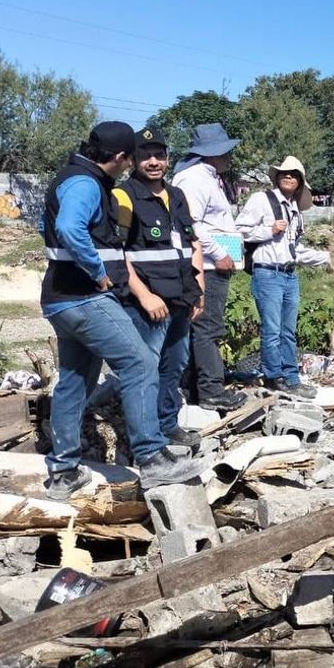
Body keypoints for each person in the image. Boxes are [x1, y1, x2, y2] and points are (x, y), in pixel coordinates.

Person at [39, 122, 202, 498]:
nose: (132, 166)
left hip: (60, 298)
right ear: (119, 157)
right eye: (131, 159)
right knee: (140, 362)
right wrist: (97, 272)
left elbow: (47, 227)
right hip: (85, 298)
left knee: (76, 379)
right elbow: (68, 227)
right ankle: (151, 458)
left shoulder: (72, 178)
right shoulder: (84, 182)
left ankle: (64, 472)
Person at [115, 125, 205, 452]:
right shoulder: (124, 196)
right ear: (133, 160)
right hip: (148, 303)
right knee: (145, 370)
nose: (153, 161)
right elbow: (117, 254)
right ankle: (145, 439)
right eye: (145, 156)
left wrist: (199, 290)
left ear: (168, 158)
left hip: (181, 297)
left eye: (159, 155)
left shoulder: (176, 195)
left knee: (174, 365)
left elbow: (193, 244)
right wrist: (143, 294)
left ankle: (167, 425)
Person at [236, 156, 330, 399]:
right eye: (285, 173)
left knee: (288, 331)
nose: (289, 177)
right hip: (267, 272)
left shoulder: (294, 209)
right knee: (272, 330)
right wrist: (268, 230)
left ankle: (291, 377)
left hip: (289, 275)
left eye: (294, 174)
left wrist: (325, 258)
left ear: (300, 182)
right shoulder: (261, 200)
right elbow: (238, 231)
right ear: (277, 177)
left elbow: (293, 249)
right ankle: (274, 377)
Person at [172, 123, 247, 411]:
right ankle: (211, 390)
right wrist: (218, 253)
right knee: (208, 327)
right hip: (207, 264)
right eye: (226, 150)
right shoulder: (195, 180)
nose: (229, 155)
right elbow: (191, 224)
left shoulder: (204, 177)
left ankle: (194, 386)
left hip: (210, 262)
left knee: (200, 326)